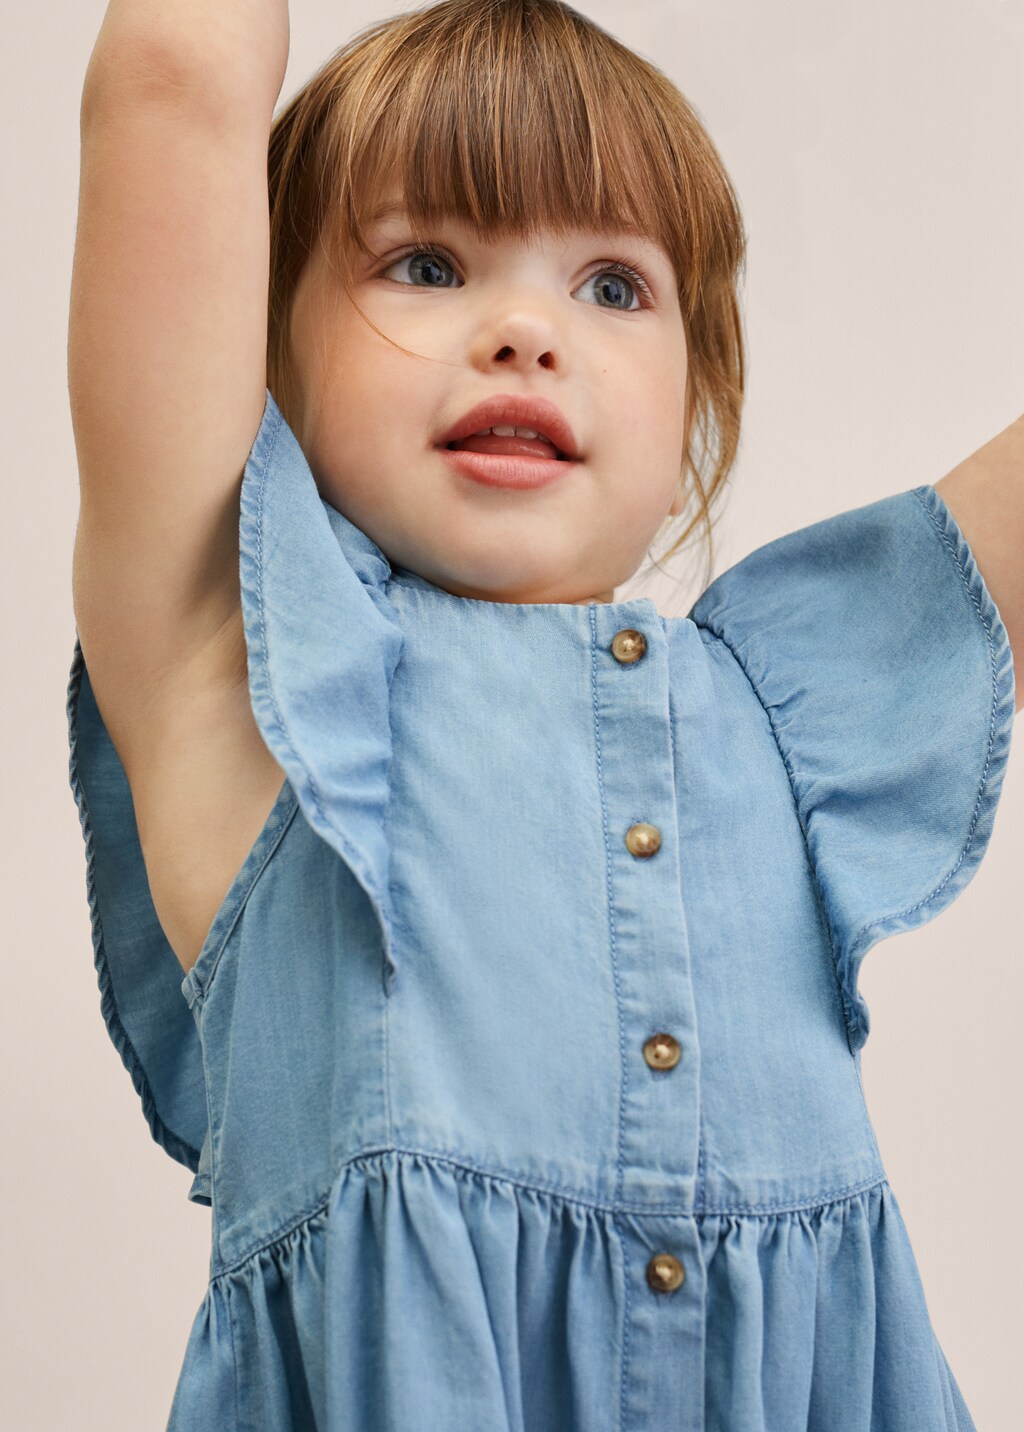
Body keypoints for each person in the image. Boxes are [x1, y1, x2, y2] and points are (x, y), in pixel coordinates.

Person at [65, 1, 1020, 1428]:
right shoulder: (241, 679)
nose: (525, 332)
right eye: (426, 265)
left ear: (696, 404)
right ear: (261, 359)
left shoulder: (790, 717)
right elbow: (174, 79)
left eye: (615, 287)